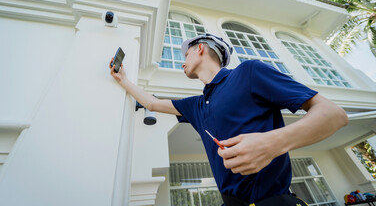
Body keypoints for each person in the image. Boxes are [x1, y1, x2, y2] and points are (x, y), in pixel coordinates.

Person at [109, 33, 348, 206]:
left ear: (200, 48)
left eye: (186, 53)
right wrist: (124, 80)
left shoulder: (249, 73)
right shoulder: (196, 105)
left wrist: (273, 142)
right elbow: (152, 103)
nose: (182, 61)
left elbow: (333, 115)